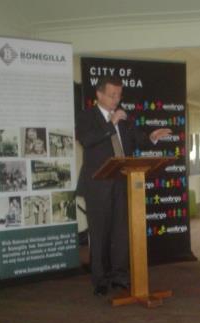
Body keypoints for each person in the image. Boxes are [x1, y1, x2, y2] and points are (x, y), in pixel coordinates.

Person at [76, 76, 171, 296]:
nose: (116, 99)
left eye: (119, 95)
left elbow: (137, 139)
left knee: (121, 233)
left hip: (123, 181)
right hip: (98, 184)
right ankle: (100, 280)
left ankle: (119, 276)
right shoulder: (87, 116)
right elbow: (87, 140)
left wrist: (152, 137)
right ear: (99, 95)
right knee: (99, 234)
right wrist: (111, 124)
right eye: (112, 95)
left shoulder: (124, 117)